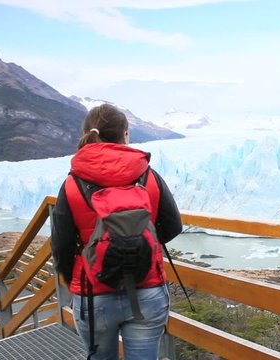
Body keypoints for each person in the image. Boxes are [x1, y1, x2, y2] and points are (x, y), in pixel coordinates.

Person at [51, 104, 182, 360]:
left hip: (92, 293)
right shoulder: (149, 176)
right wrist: (139, 244)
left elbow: (62, 245)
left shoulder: (72, 183)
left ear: (89, 135)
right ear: (125, 134)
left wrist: (73, 281)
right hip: (148, 288)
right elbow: (173, 225)